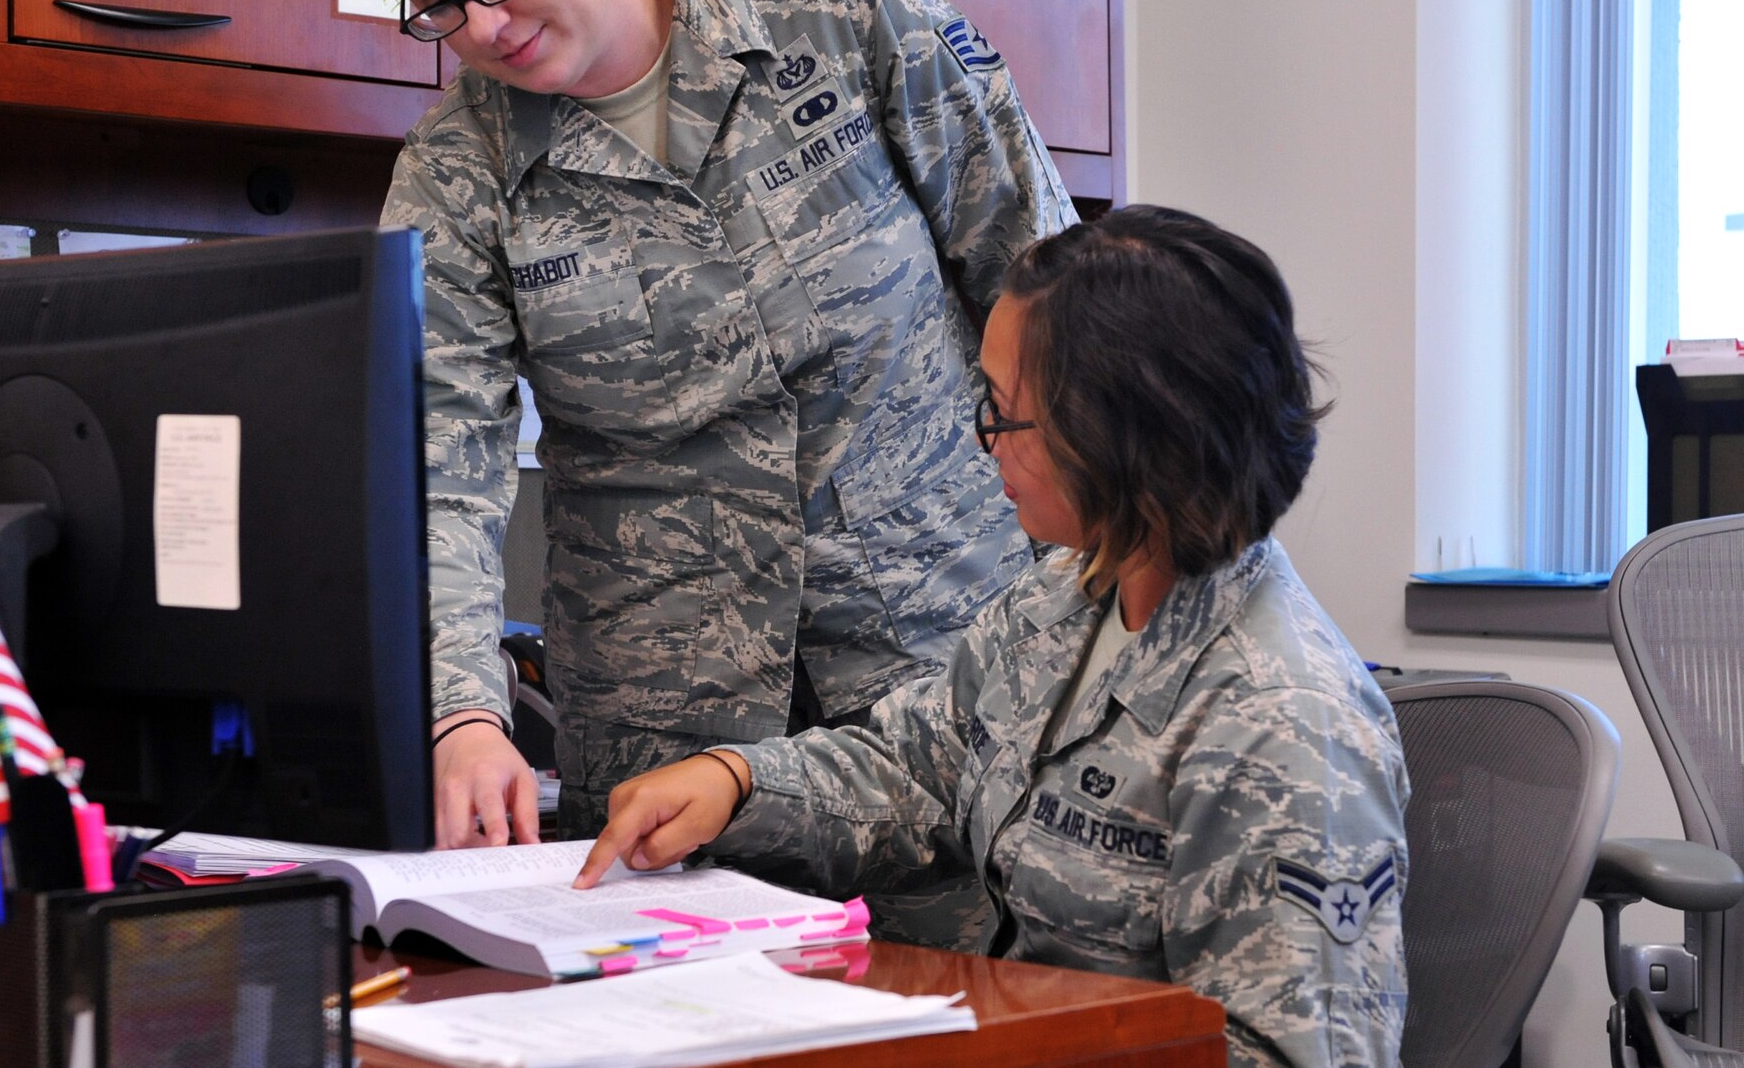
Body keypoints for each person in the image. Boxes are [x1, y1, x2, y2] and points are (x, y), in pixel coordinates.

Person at [356, 0, 1075, 898]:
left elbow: (1042, 283)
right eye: (437, 2)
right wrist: (462, 712)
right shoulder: (458, 174)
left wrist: (1099, 605)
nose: (484, 24)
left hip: (940, 683)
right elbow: (438, 466)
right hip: (669, 757)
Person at [578, 205, 1411, 1068]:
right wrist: (737, 782)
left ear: (1122, 436)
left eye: (1009, 414)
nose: (987, 442)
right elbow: (917, 767)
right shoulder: (1068, 593)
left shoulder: (1283, 725)